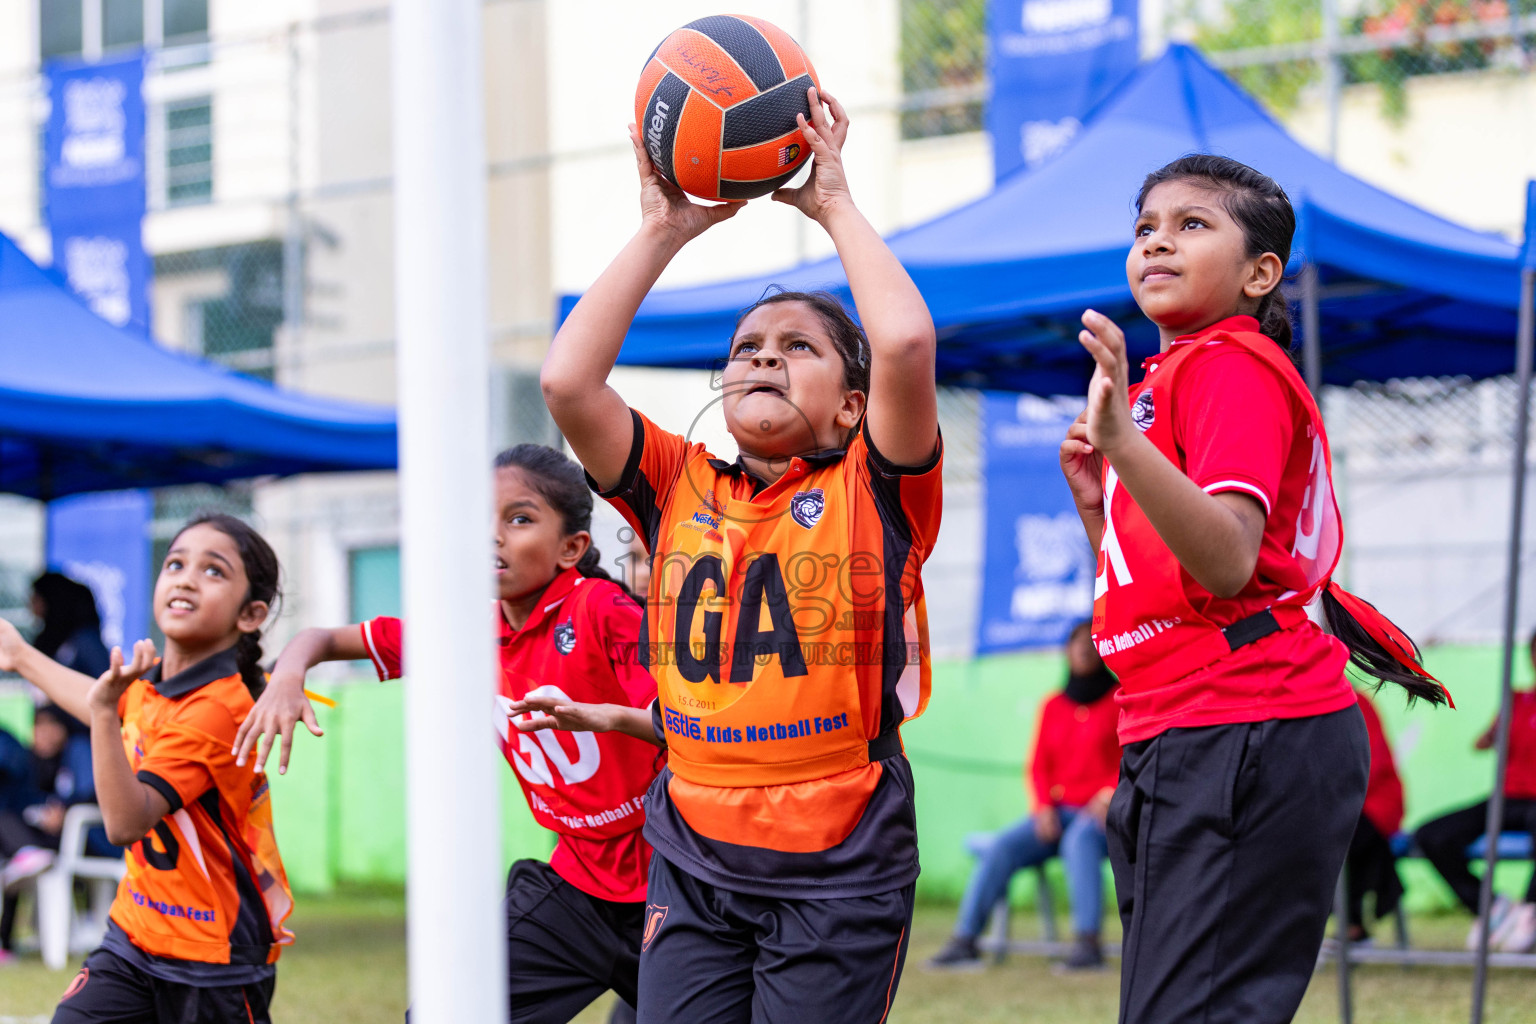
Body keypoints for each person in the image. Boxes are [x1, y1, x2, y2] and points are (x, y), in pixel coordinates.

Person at [538, 86, 942, 1022]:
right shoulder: (678, 482)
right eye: (747, 346)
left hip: (837, 854)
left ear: (852, 404)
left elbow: (908, 341)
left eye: (797, 347)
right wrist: (664, 230)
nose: (762, 358)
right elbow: (567, 380)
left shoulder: (875, 487)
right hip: (692, 847)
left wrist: (834, 202)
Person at [1058, 154, 1449, 1024]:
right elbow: (1167, 590)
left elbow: (1230, 561)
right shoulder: (1162, 386)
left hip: (1244, 723)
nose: (1158, 239)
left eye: (1192, 224)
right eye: (1145, 226)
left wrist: (1124, 447)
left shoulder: (1231, 364)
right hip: (1179, 724)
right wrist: (1101, 505)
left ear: (1260, 272)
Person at [235, 444, 660, 1024]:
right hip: (577, 888)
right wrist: (287, 673)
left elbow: (687, 727)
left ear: (572, 548)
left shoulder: (603, 611)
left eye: (519, 518)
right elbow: (324, 639)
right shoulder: (464, 627)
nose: (493, 535)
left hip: (672, 888)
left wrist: (602, 716)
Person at [0, 514, 293, 1023]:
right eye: (175, 563)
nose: (185, 577)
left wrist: (100, 715)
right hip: (134, 938)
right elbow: (103, 701)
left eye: (213, 571)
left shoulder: (217, 710)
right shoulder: (156, 683)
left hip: (214, 960)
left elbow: (125, 822)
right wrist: (20, 655)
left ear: (251, 614)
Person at [927, 621, 1119, 972]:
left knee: (1080, 841)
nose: (1084, 649)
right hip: (1056, 813)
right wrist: (1043, 808)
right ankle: (965, 941)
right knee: (1002, 846)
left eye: (1090, 643)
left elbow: (1129, 760)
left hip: (1101, 818)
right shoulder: (1053, 706)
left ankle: (1087, 946)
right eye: (1076, 643)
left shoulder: (1119, 701)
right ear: (1067, 651)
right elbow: (1039, 766)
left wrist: (1108, 796)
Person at [1415, 633, 1536, 954]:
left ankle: (1530, 910)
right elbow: (1482, 742)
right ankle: (1491, 904)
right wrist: (1495, 734)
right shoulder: (1518, 700)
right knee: (1431, 835)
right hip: (1508, 797)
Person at [1342, 689, 1406, 945]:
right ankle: (1382, 895)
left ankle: (1353, 924)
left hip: (1374, 802)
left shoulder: (1352, 701)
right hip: (1335, 805)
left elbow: (1371, 763)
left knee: (1343, 836)